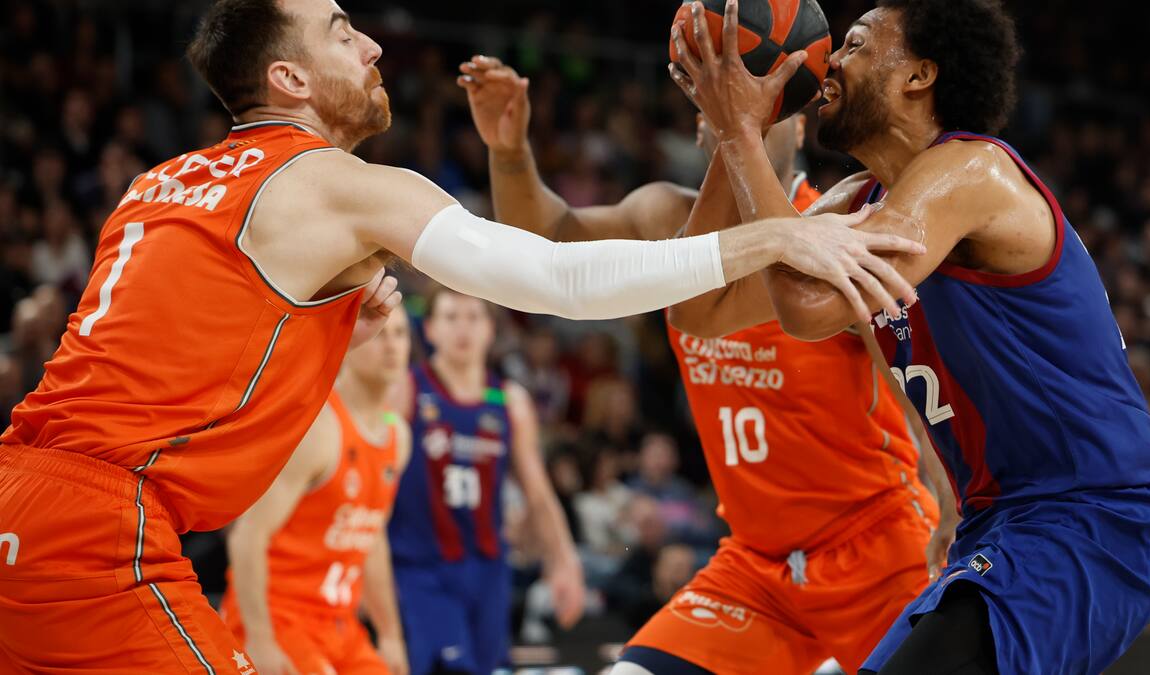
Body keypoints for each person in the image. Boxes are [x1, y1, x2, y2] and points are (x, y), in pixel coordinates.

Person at [0, 0, 927, 670]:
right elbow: (556, 273)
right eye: (337, 29)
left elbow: (170, 338)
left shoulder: (157, 183)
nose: (369, 41)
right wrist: (772, 235)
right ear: (288, 79)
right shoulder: (342, 185)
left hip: (20, 493)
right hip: (104, 528)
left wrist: (317, 312)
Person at [669, 0, 1150, 673]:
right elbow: (698, 310)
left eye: (853, 44)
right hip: (1000, 522)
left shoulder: (974, 173)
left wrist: (739, 132)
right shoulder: (857, 204)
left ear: (919, 75)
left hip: (1095, 518)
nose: (830, 61)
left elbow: (809, 305)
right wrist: (741, 131)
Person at [459, 54, 958, 674]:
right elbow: (547, 244)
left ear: (799, 129)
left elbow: (913, 382)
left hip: (875, 547)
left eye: (766, 115)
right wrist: (509, 154)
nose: (744, 126)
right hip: (756, 565)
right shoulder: (668, 220)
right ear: (706, 131)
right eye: (726, 117)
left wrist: (952, 498)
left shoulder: (833, 230)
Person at [388, 287, 586, 675]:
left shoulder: (510, 401)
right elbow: (379, 481)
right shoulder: (408, 389)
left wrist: (564, 562)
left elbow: (538, 492)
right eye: (451, 317)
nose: (463, 328)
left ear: (491, 330)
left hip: (489, 572)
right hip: (421, 569)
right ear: (429, 329)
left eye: (474, 317)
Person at [222, 310, 412, 675]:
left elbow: (371, 540)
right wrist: (260, 639)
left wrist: (390, 635)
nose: (392, 345)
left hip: (340, 624)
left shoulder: (398, 437)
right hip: (278, 615)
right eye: (382, 333)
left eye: (401, 334)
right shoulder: (321, 427)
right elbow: (248, 535)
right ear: (347, 341)